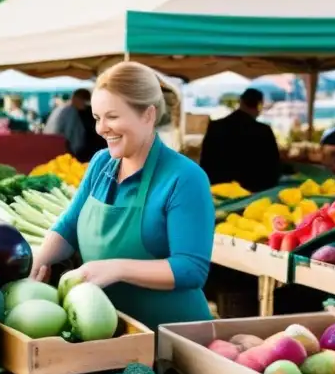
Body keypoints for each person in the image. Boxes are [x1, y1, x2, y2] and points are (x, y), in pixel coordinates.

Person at [29, 61, 214, 331]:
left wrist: (116, 269)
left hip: (176, 340)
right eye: (96, 118)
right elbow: (68, 227)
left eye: (112, 117)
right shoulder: (101, 163)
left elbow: (191, 269)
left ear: (148, 115)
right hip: (113, 335)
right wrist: (38, 261)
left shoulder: (185, 178)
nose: (101, 128)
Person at [200, 87, 281, 192]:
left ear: (241, 102)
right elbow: (273, 166)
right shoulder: (263, 131)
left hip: (218, 191)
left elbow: (205, 161)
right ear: (259, 105)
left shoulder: (216, 127)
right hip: (254, 193)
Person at [44, 88, 92, 161]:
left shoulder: (61, 109)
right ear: (77, 99)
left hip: (52, 146)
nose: (86, 105)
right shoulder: (70, 111)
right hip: (65, 151)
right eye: (85, 102)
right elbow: (68, 134)